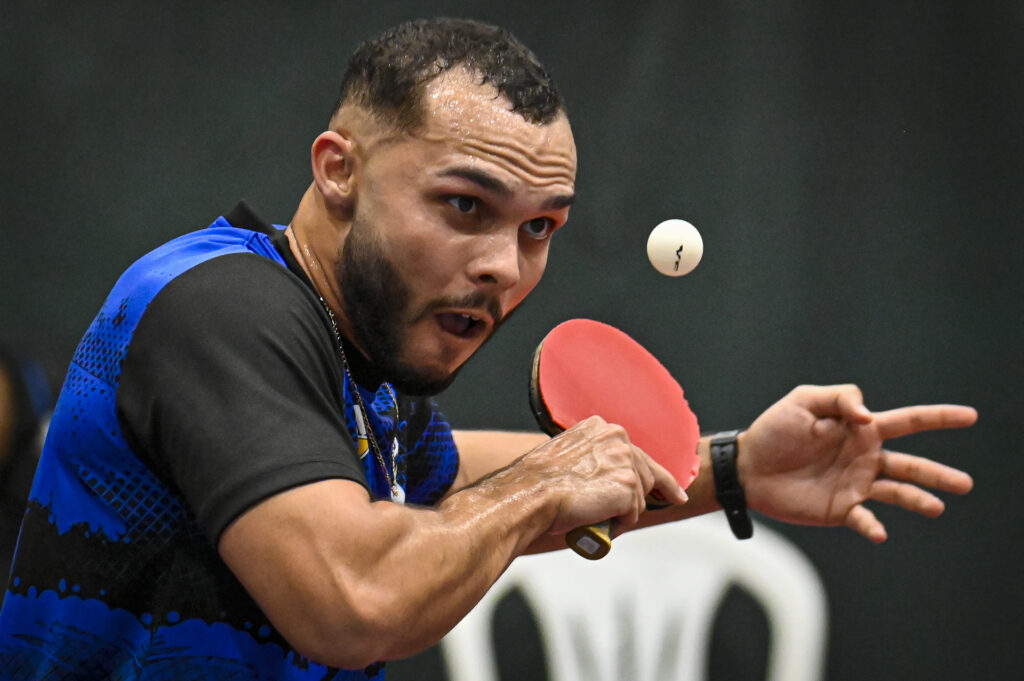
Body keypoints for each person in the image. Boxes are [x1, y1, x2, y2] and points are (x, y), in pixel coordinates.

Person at [0, 17, 976, 681]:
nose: (504, 267)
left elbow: (450, 472)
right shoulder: (218, 305)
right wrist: (546, 484)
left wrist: (734, 467)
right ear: (339, 171)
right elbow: (356, 599)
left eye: (540, 229)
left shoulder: (353, 368)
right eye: (464, 207)